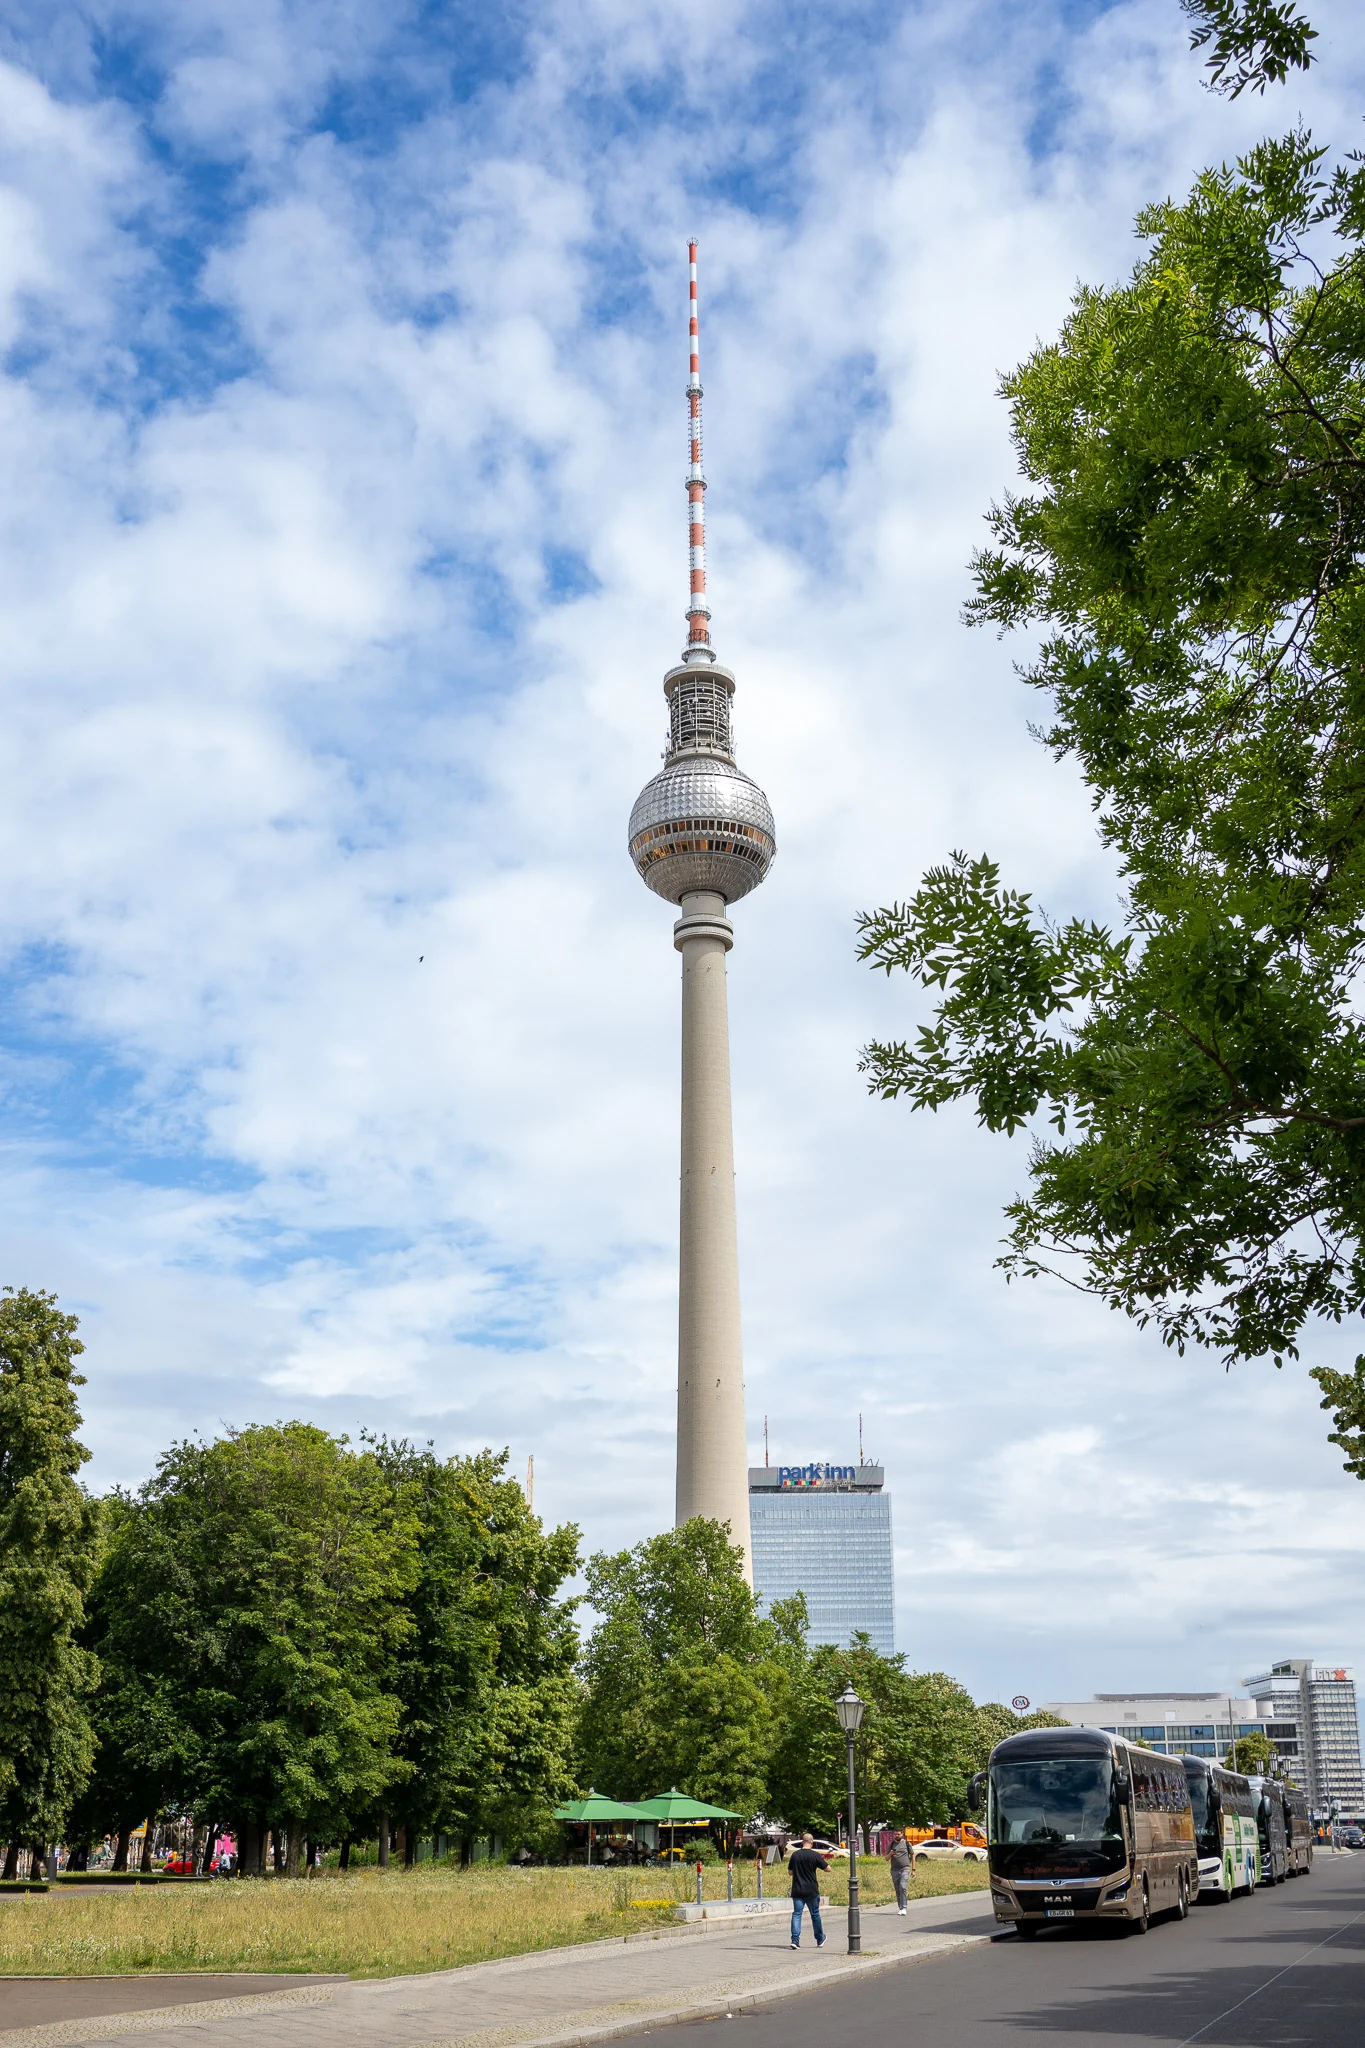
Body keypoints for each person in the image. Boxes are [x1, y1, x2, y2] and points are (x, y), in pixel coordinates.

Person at [787, 1832, 829, 1948]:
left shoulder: (795, 1855)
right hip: (811, 1890)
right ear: (812, 1842)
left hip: (798, 1890)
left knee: (797, 1914)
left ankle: (795, 1940)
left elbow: (790, 1872)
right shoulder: (815, 1855)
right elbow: (828, 1869)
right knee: (815, 1914)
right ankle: (820, 1939)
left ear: (802, 1842)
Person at [889, 1828, 912, 1914]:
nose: (896, 1836)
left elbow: (912, 1855)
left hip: (905, 1868)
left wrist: (913, 1869)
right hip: (894, 1870)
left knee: (902, 1887)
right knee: (897, 1889)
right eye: (895, 1834)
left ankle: (904, 1907)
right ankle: (900, 1908)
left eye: (898, 1834)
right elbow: (886, 1858)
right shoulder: (891, 1844)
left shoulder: (906, 1843)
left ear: (902, 1834)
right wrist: (890, 1854)